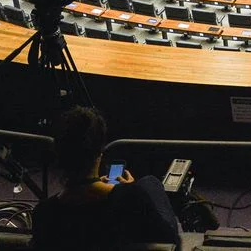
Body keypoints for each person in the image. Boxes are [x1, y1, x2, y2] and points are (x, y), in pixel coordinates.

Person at [32, 106, 181, 250]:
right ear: (99, 154)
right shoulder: (130, 198)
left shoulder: (43, 214)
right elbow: (172, 242)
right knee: (150, 182)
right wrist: (131, 189)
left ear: (58, 155)